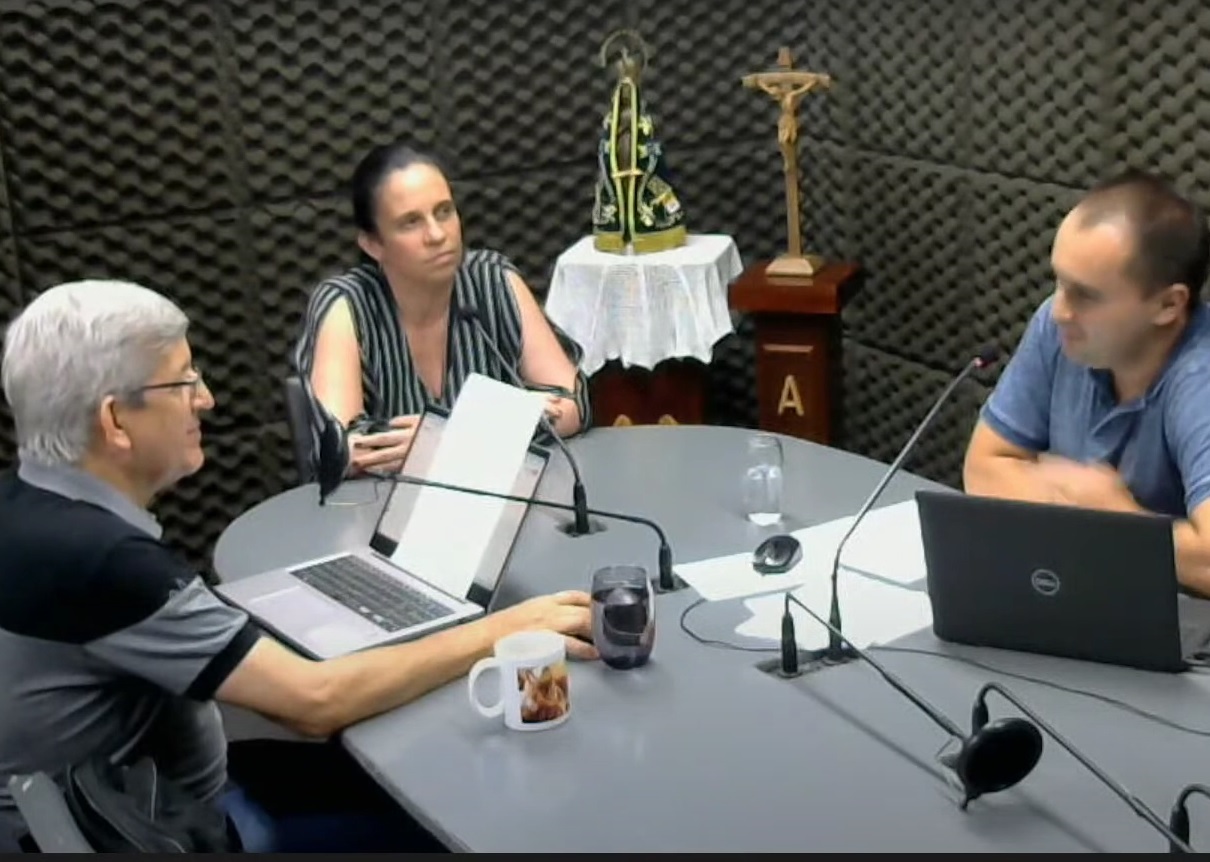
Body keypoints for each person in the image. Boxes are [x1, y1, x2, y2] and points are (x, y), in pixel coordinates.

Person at [0, 279, 598, 852]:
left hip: (128, 802)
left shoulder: (25, 507)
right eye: (182, 383)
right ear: (114, 421)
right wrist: (506, 629)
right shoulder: (105, 563)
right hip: (185, 830)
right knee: (462, 815)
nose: (205, 400)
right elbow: (315, 704)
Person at [962, 168, 1210, 596]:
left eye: (1086, 294)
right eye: (1059, 282)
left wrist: (1118, 520)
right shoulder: (1059, 328)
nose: (1060, 310)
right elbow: (983, 468)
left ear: (1168, 305)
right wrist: (1081, 510)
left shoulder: (1199, 376)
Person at [295, 142, 592, 476]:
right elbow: (341, 450)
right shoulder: (346, 304)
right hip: (385, 513)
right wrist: (508, 423)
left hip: (502, 499)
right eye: (411, 222)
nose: (437, 234)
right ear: (373, 244)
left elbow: (574, 402)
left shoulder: (492, 280)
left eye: (444, 211)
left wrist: (454, 439)